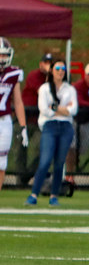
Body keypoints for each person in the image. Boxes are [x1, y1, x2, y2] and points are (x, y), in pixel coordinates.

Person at [25, 58, 77, 206]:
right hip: (49, 126)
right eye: (57, 69)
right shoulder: (44, 89)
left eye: (63, 69)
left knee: (60, 163)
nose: (60, 72)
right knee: (45, 160)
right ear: (52, 71)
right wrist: (62, 109)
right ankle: (34, 194)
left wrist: (56, 108)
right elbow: (45, 110)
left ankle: (54, 195)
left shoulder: (70, 89)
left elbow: (73, 110)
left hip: (65, 127)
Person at [0, 38, 30, 192]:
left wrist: (23, 126)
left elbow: (18, 102)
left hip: (4, 121)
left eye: (4, 55)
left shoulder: (13, 73)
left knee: (2, 163)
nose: (2, 58)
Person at [67, 62, 89, 175]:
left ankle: (77, 170)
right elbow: (79, 101)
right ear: (85, 75)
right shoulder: (78, 86)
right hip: (75, 120)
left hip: (88, 121)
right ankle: (69, 174)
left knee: (82, 149)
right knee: (71, 148)